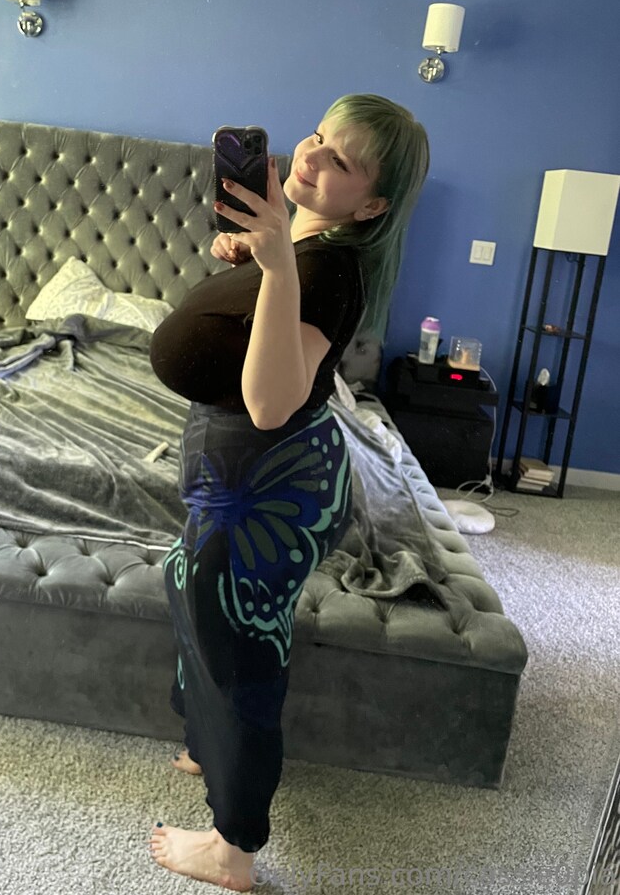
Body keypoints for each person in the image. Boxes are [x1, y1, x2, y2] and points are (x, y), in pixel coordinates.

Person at [147, 94, 430, 891]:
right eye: (317, 136)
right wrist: (256, 255)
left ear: (371, 206)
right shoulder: (304, 242)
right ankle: (208, 746)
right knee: (195, 602)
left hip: (266, 489)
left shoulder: (328, 270)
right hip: (234, 478)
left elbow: (271, 402)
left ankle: (234, 849)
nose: (311, 155)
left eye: (343, 161)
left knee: (240, 650)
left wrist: (273, 266)